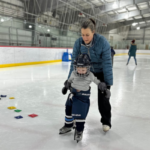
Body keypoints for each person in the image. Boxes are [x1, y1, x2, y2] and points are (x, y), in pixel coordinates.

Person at [65, 18, 113, 132]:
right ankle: (75, 118)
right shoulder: (78, 43)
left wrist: (107, 84)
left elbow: (107, 62)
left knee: (103, 99)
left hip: (101, 71)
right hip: (84, 72)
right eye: (82, 34)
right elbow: (74, 62)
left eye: (87, 35)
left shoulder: (102, 42)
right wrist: (69, 80)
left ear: (93, 32)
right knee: (77, 94)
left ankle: (106, 121)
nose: (85, 38)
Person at [59, 54, 111, 142]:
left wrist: (104, 88)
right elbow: (70, 80)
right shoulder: (73, 73)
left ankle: (79, 130)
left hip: (83, 98)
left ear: (88, 68)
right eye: (78, 69)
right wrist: (66, 85)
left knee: (80, 115)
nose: (80, 71)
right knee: (68, 111)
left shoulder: (90, 75)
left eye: (83, 69)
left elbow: (97, 82)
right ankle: (68, 125)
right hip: (72, 95)